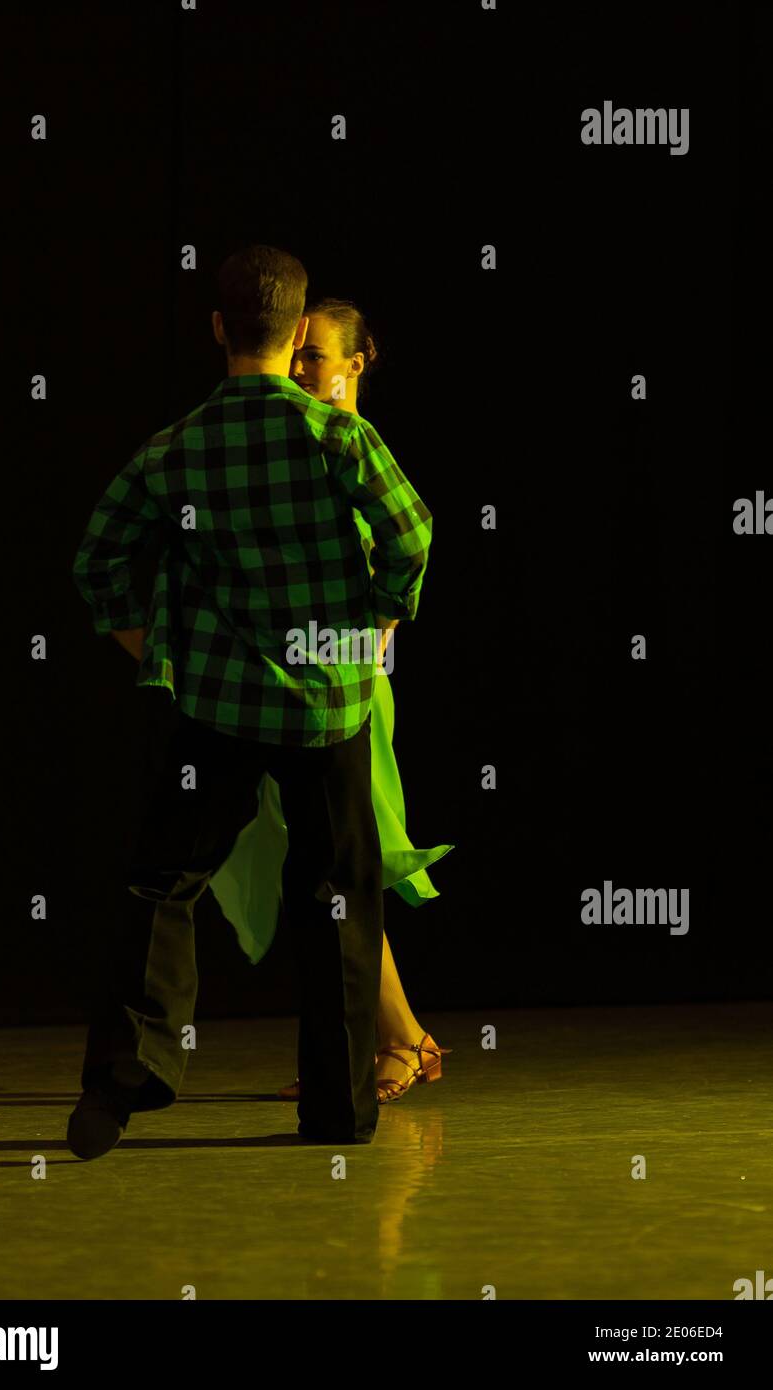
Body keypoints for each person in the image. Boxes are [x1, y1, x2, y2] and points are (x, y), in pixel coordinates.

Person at [66, 245, 433, 1158]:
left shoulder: (176, 448)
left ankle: (128, 1074)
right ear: (302, 332)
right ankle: (339, 1114)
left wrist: (146, 642)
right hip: (329, 711)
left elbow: (97, 560)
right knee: (338, 900)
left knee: (160, 882)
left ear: (220, 329)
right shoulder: (337, 437)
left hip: (218, 711)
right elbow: (411, 533)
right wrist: (380, 614)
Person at [207, 299, 453, 1103]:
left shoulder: (349, 443)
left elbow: (406, 538)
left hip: (345, 686)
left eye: (316, 358)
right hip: (293, 686)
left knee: (348, 860)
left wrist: (378, 624)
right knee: (327, 860)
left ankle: (403, 1038)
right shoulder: (297, 444)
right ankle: (389, 1038)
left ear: (354, 366)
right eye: (297, 354)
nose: (300, 369)